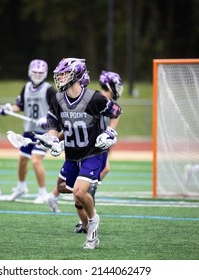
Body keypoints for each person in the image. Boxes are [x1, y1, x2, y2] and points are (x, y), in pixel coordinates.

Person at [42, 58, 122, 249]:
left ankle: (93, 221)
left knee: (79, 191)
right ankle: (87, 220)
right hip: (72, 155)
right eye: (59, 74)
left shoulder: (93, 98)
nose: (60, 78)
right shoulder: (58, 99)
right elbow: (53, 124)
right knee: (63, 187)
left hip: (93, 153)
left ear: (76, 75)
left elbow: (116, 110)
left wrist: (110, 131)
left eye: (64, 74)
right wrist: (53, 139)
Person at [0, 59, 57, 203]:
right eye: (35, 72)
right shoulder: (26, 87)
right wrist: (8, 109)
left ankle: (42, 193)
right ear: (30, 72)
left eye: (40, 73)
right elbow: (19, 105)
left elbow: (58, 109)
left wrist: (47, 119)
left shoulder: (49, 89)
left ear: (45, 73)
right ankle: (21, 188)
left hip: (44, 132)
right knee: (22, 160)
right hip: (29, 131)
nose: (37, 75)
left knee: (36, 160)